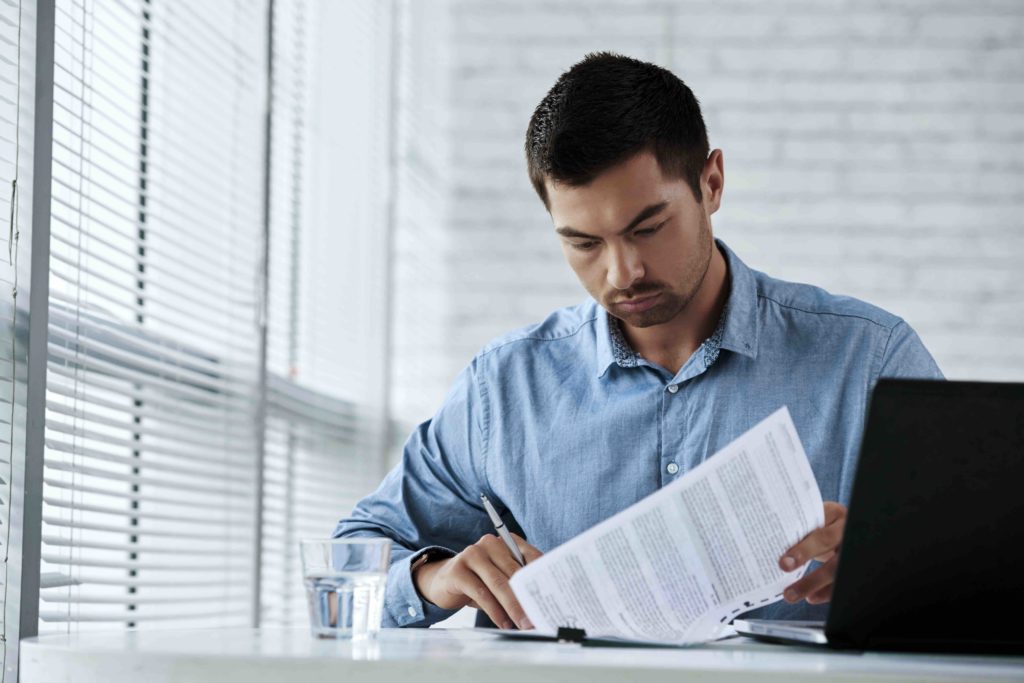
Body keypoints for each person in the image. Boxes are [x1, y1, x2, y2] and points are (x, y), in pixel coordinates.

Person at [334, 52, 942, 631]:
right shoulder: (504, 389)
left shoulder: (869, 360)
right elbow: (351, 557)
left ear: (712, 183)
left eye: (647, 228)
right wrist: (433, 577)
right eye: (583, 243)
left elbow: (982, 565)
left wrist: (894, 564)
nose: (622, 273)